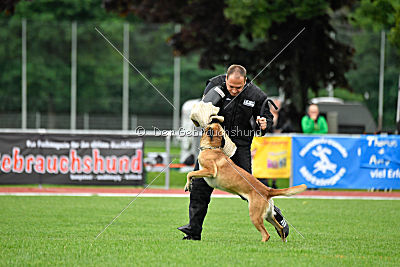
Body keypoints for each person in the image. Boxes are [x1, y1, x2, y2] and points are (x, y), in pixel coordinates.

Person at [178, 64, 288, 240]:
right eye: (231, 87)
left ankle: (276, 214)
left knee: (249, 190)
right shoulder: (214, 85)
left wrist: (265, 124)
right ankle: (193, 231)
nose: (234, 90)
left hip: (240, 144)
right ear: (226, 79)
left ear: (245, 81)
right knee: (199, 188)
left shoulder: (256, 95)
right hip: (215, 144)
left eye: (239, 87)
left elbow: (267, 119)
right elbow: (203, 109)